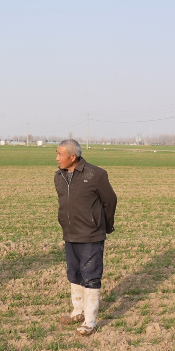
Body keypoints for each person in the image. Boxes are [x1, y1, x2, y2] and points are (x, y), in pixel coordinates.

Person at [54, 139, 117, 336]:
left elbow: (110, 200)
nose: (57, 158)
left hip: (91, 235)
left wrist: (104, 225)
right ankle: (78, 311)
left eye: (60, 154)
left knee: (91, 276)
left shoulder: (96, 174)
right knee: (74, 273)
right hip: (70, 233)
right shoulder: (59, 176)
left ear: (73, 157)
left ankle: (90, 321)